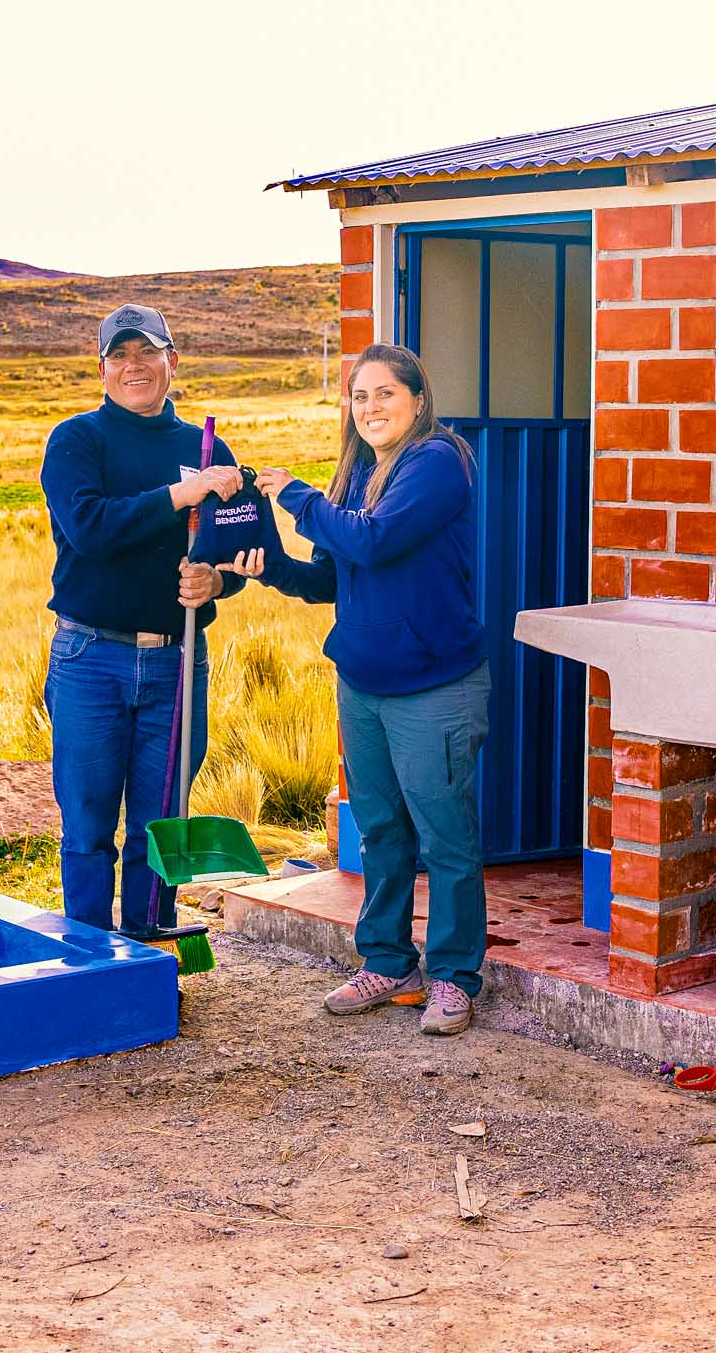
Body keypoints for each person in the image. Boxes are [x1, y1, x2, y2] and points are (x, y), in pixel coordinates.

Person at [221, 343, 489, 1034]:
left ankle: (456, 977)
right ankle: (388, 962)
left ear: (417, 399)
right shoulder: (355, 476)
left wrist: (297, 496)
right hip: (363, 685)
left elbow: (373, 543)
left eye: (385, 394)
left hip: (436, 686)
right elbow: (331, 580)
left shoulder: (439, 462)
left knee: (445, 837)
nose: (370, 407)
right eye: (359, 396)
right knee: (380, 833)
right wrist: (269, 565)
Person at [39, 303, 258, 935]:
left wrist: (218, 580)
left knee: (160, 821)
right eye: (119, 356)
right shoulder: (78, 440)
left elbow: (240, 549)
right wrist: (181, 495)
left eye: (147, 352)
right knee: (87, 824)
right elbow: (90, 529)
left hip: (177, 659)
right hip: (91, 660)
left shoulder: (207, 449)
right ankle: (86, 955)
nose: (134, 366)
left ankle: (149, 943)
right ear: (101, 368)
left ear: (173, 360)